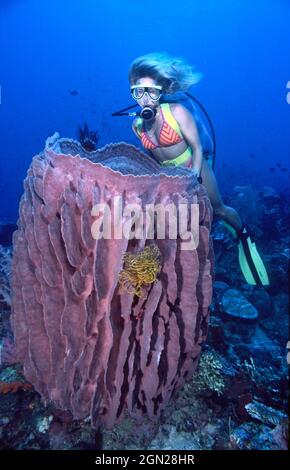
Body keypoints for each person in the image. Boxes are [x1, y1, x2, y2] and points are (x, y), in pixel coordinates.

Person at [128, 52, 269, 286]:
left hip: (195, 167)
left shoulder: (177, 112)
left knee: (219, 210)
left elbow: (197, 146)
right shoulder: (137, 125)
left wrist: (194, 176)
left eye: (151, 91)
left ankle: (243, 236)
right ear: (132, 92)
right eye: (138, 92)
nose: (144, 98)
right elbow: (150, 158)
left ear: (161, 91)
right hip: (170, 177)